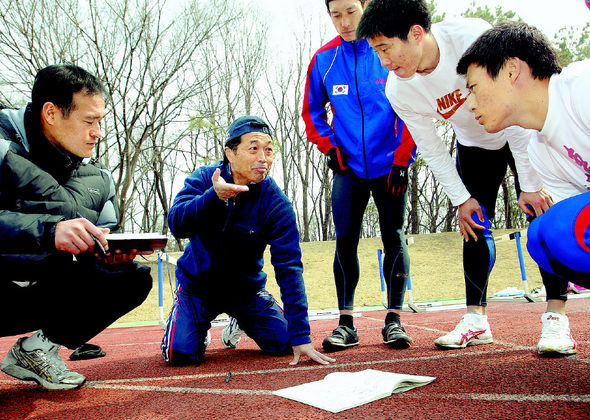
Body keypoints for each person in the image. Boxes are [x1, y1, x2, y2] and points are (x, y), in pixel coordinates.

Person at [356, 0, 554, 350]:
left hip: (518, 128)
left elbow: (517, 105)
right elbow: (431, 148)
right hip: (475, 143)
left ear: (416, 34)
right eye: (376, 52)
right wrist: (461, 199)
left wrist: (530, 183)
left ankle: (556, 318)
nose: (383, 62)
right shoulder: (399, 89)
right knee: (474, 227)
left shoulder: (472, 38)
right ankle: (476, 320)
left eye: (386, 49)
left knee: (544, 216)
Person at [0, 64, 153, 390]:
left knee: (131, 278)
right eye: (89, 121)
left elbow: (105, 230)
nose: (98, 132)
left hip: (38, 288)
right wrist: (50, 231)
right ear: (51, 113)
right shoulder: (3, 146)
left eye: (100, 121)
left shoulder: (97, 176)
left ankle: (35, 351)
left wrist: (110, 253)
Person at [457, 21, 590, 355]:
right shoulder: (540, 150)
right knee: (546, 236)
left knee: (560, 229)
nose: (470, 104)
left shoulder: (581, 90)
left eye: (474, 88)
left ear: (511, 70)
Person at [161, 115, 335, 367]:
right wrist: (213, 197)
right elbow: (177, 224)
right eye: (253, 149)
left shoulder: (276, 203)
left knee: (287, 342)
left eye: (269, 150)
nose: (263, 159)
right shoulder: (204, 178)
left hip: (247, 292)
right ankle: (196, 326)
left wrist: (301, 335)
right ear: (230, 153)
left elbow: (289, 268)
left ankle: (240, 320)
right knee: (180, 355)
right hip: (197, 289)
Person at [302, 0, 416, 352]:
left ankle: (394, 321)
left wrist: (402, 159)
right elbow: (311, 111)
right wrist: (328, 146)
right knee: (345, 240)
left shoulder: (386, 51)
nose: (345, 21)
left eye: (351, 11)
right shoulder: (324, 59)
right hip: (348, 168)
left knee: (393, 236)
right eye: (336, 15)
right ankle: (346, 325)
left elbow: (413, 107)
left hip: (389, 167)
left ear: (366, 7)